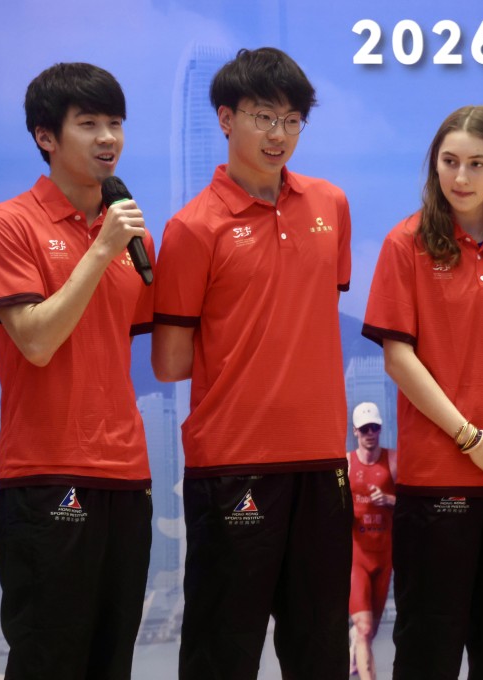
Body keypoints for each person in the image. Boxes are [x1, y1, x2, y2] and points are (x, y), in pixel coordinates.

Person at [151, 47, 353, 679]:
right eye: (264, 117)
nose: (278, 135)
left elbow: (315, 315)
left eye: (293, 121)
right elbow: (169, 361)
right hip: (234, 463)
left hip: (323, 463)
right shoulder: (192, 228)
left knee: (319, 646)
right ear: (226, 118)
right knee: (222, 649)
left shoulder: (330, 206)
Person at [362, 105, 483, 679]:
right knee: (430, 647)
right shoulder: (407, 244)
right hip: (437, 478)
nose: (461, 177)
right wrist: (469, 437)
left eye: (477, 163)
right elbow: (399, 357)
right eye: (449, 162)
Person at [0, 62, 154, 679]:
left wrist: (111, 242)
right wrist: (101, 250)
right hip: (45, 473)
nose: (108, 138)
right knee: (50, 659)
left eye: (116, 123)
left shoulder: (128, 233)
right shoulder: (9, 225)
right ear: (47, 136)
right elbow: (38, 342)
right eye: (89, 124)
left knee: (113, 659)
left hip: (126, 473)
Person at [346, 401, 398, 680]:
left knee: (370, 630)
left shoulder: (393, 462)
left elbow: (414, 508)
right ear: (355, 431)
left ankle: (355, 641)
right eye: (364, 428)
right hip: (357, 558)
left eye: (374, 427)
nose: (370, 433)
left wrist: (390, 500)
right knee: (365, 628)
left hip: (384, 557)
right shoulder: (346, 463)